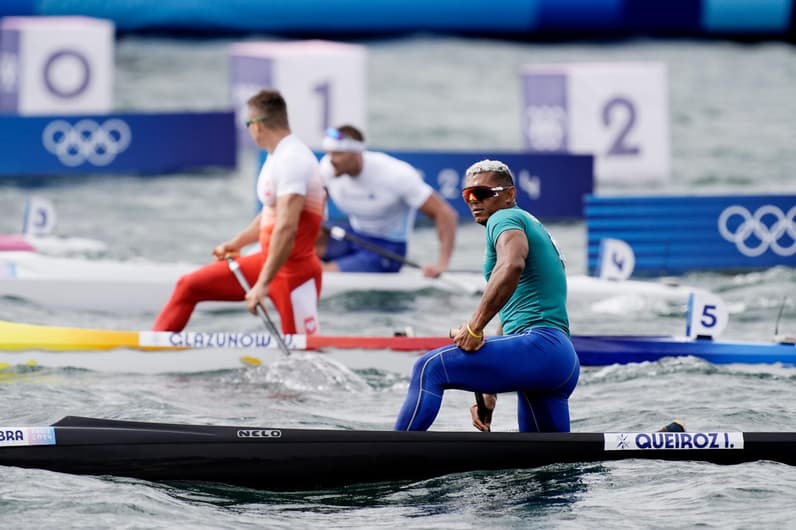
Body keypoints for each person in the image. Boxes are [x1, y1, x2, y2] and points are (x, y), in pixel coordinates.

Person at [394, 159, 579, 433]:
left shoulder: (504, 218)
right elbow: (513, 307)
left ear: (509, 195)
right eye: (467, 194)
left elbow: (511, 265)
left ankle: (390, 456)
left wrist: (474, 327)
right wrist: (487, 388)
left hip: (539, 348)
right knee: (547, 468)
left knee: (429, 368)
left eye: (481, 193)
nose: (473, 201)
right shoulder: (530, 224)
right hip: (557, 361)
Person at [152, 89, 325, 334]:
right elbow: (270, 215)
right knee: (189, 286)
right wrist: (237, 242)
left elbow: (287, 227)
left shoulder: (293, 160)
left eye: (247, 124)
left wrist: (262, 284)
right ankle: (153, 348)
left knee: (304, 357)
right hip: (265, 261)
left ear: (257, 125)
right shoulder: (275, 156)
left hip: (294, 274)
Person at [316, 125, 458, 278]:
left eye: (337, 154)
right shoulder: (328, 167)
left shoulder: (395, 175)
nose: (331, 160)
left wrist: (442, 264)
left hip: (387, 248)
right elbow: (313, 204)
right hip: (354, 234)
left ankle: (327, 269)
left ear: (355, 154)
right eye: (329, 154)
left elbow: (445, 214)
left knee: (319, 272)